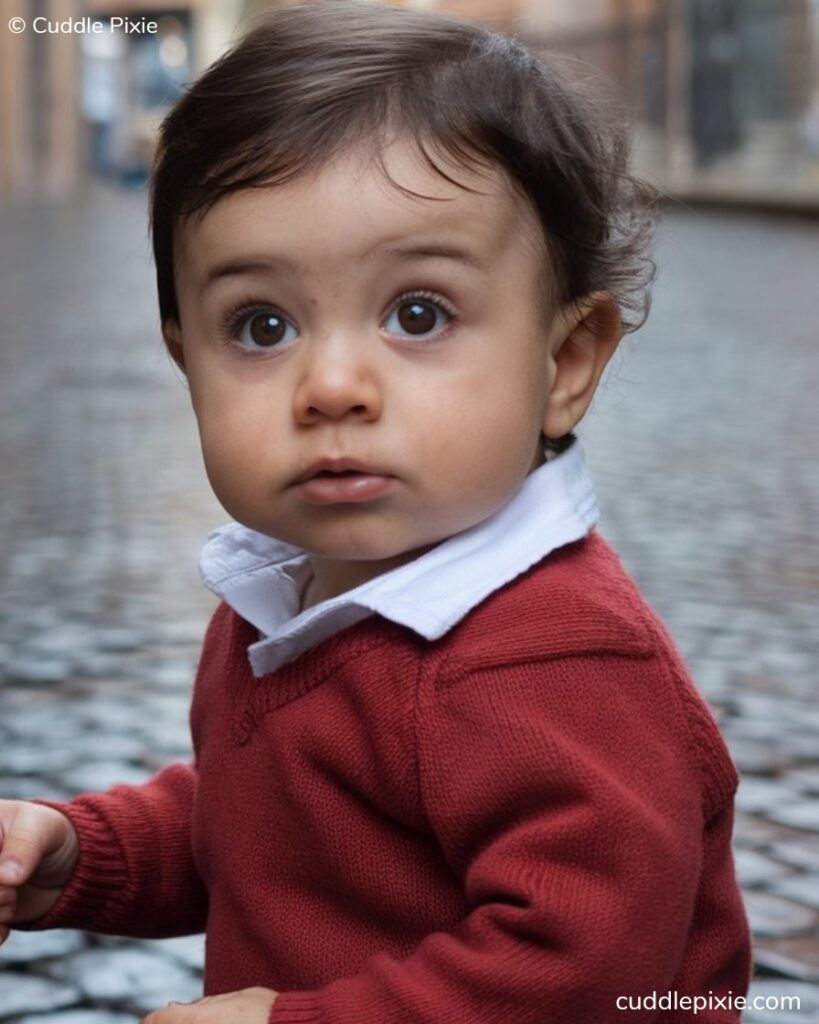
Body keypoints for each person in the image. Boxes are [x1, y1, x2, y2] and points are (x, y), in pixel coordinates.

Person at [0, 2, 752, 1021]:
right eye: (262, 326)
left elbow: (594, 975)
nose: (333, 385)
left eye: (418, 313)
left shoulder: (552, 662)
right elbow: (271, 823)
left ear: (565, 362)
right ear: (186, 360)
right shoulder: (297, 593)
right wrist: (84, 854)